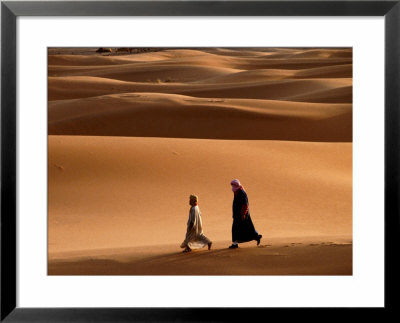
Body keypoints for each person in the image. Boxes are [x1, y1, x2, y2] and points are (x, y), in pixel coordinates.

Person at [229, 179, 262, 249]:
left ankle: (235, 244)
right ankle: (256, 236)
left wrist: (243, 214)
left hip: (241, 214)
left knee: (237, 228)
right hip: (238, 214)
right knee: (245, 228)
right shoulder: (237, 191)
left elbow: (245, 204)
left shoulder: (242, 193)